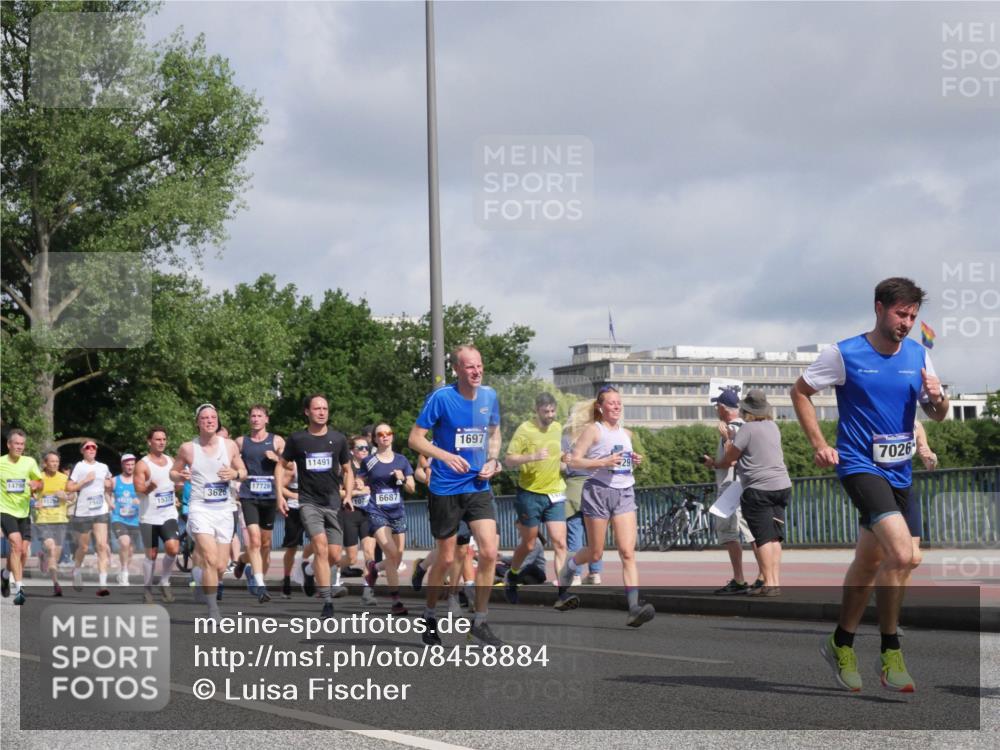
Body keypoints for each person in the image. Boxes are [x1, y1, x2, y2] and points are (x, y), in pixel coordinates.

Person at [792, 277, 949, 693]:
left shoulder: (918, 355)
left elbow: (936, 416)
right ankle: (890, 650)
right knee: (902, 553)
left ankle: (840, 642)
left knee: (877, 561)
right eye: (901, 314)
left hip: (900, 470)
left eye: (913, 316)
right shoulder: (844, 353)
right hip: (860, 465)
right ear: (879, 308)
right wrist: (820, 444)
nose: (907, 323)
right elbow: (801, 392)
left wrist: (939, 398)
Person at [408, 345, 504, 647]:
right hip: (446, 488)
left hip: (477, 485)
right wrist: (445, 456)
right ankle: (430, 614)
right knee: (447, 558)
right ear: (457, 370)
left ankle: (480, 620)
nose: (476, 372)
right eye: (469, 367)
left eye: (479, 366)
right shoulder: (441, 398)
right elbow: (414, 439)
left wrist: (492, 460)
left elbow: (495, 433)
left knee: (489, 552)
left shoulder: (489, 396)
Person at [555, 386, 654, 627]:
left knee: (627, 552)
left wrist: (634, 460)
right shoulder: (593, 430)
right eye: (611, 403)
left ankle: (633, 608)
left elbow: (623, 463)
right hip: (597, 492)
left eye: (619, 402)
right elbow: (574, 460)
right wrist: (604, 461)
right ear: (600, 407)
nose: (617, 406)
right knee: (596, 552)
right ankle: (569, 567)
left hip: (624, 492)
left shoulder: (626, 434)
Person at [276, 394, 353, 619]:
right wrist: (279, 495)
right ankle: (327, 600)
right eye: (317, 408)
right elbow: (280, 467)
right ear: (307, 412)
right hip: (309, 502)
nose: (322, 412)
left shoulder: (338, 439)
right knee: (319, 546)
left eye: (325, 408)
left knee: (335, 555)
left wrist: (348, 495)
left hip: (333, 502)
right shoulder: (298, 439)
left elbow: (348, 470)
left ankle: (309, 571)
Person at [170, 404, 248, 619]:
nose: (210, 421)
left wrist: (234, 472)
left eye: (213, 417)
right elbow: (173, 473)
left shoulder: (230, 445)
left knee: (221, 566)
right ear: (198, 422)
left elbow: (243, 472)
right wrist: (179, 477)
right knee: (211, 559)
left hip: (225, 509)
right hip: (199, 509)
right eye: (205, 418)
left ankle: (198, 573)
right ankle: (213, 609)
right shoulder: (188, 448)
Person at [716, 390, 791, 596]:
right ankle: (774, 581)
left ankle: (769, 584)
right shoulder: (773, 427)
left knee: (763, 538)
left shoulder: (747, 429)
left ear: (746, 410)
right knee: (775, 537)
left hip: (759, 489)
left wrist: (727, 439)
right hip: (782, 486)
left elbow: (730, 459)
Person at [503, 392, 568, 603]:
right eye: (545, 411)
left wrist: (566, 459)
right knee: (529, 544)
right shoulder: (525, 429)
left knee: (559, 542)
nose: (549, 415)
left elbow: (561, 455)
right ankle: (512, 575)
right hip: (530, 494)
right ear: (536, 410)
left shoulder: (558, 429)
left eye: (552, 411)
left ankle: (563, 593)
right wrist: (532, 456)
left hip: (555, 492)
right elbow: (509, 460)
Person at [703, 387, 764, 594]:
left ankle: (739, 579)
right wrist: (715, 462)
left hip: (731, 487)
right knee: (753, 533)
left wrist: (717, 459)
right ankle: (764, 575)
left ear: (722, 407)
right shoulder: (748, 426)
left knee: (729, 533)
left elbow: (731, 460)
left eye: (717, 407)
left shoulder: (731, 429)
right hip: (746, 485)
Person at [360, 422, 415, 616]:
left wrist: (402, 478)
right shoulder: (369, 461)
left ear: (392, 436)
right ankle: (396, 602)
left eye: (388, 433)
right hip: (377, 512)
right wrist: (358, 487)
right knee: (391, 553)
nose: (385, 436)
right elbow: (360, 480)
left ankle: (374, 569)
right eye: (380, 434)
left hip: (397, 512)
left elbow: (411, 488)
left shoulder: (401, 460)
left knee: (397, 557)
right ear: (375, 439)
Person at [234, 405, 286, 603]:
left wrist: (278, 458)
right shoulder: (241, 442)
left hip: (270, 496)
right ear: (249, 419)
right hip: (249, 495)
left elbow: (290, 463)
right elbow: (229, 459)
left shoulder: (276, 440)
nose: (255, 419)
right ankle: (260, 584)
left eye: (259, 416)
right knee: (254, 540)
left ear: (267, 419)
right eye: (253, 416)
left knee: (265, 544)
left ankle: (243, 561)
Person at [133, 426, 181, 604]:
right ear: (149, 442)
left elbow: (176, 485)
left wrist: (180, 484)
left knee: (173, 549)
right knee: (151, 555)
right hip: (149, 517)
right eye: (157, 439)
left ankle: (165, 581)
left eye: (163, 439)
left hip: (168, 514)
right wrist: (148, 488)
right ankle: (147, 589)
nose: (161, 442)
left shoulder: (171, 461)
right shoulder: (143, 464)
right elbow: (138, 489)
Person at [67, 440, 114, 596]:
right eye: (88, 447)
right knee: (84, 547)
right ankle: (76, 570)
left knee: (101, 546)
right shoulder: (79, 467)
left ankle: (102, 584)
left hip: (100, 510)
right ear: (82, 450)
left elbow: (109, 482)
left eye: (94, 447)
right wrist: (84, 481)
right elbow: (69, 487)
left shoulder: (103, 467)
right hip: (83, 512)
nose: (91, 449)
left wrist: (109, 484)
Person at [1, 429, 43, 605]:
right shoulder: (1, 463)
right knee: (16, 546)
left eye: (22, 444)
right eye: (16, 443)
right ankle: (19, 590)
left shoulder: (29, 462)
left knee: (22, 552)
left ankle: (4, 574)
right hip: (4, 509)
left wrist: (36, 484)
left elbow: (40, 483)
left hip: (23, 512)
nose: (19, 447)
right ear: (8, 444)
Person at [562, 415, 600, 586]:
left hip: (573, 488)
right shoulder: (596, 435)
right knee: (595, 535)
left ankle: (575, 575)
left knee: (574, 534)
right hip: (594, 485)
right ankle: (595, 572)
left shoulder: (566, 439)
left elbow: (562, 465)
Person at [32, 450, 71, 596]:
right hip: (43, 519)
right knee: (51, 547)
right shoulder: (38, 478)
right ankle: (56, 584)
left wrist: (66, 496)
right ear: (45, 463)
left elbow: (72, 496)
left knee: (56, 555)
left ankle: (44, 556)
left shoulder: (63, 478)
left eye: (57, 461)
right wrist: (34, 503)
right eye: (52, 461)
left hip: (60, 520)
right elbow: (29, 495)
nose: (55, 464)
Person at [345, 435, 376, 605]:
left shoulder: (373, 467)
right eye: (360, 448)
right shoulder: (346, 468)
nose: (364, 451)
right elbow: (338, 493)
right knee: (351, 558)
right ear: (352, 451)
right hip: (349, 513)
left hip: (368, 513)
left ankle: (367, 590)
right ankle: (332, 570)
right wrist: (355, 492)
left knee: (369, 553)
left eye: (366, 448)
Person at [110, 454, 142, 586]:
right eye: (127, 464)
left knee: (130, 550)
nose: (130, 467)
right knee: (124, 543)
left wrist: (139, 501)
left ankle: (124, 569)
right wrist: (110, 502)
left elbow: (146, 496)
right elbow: (107, 493)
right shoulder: (115, 480)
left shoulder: (139, 480)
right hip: (118, 517)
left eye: (132, 464)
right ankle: (124, 573)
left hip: (135, 519)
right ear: (122, 465)